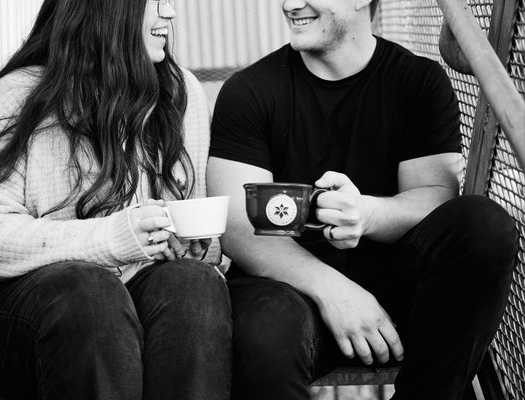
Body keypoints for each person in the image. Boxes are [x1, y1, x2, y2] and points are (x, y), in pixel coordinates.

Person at [207, 0, 518, 399]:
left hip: (397, 288)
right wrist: (334, 290)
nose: (289, 4)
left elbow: (437, 197)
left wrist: (368, 214)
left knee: (485, 225)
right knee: (262, 327)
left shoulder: (417, 80)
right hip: (291, 289)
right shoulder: (249, 90)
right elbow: (237, 226)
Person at [0, 1, 232, 399]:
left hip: (138, 301)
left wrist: (186, 245)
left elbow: (206, 247)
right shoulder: (21, 93)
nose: (170, 12)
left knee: (195, 283)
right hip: (25, 313)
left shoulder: (180, 93)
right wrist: (113, 237)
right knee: (88, 290)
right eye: (155, 2)